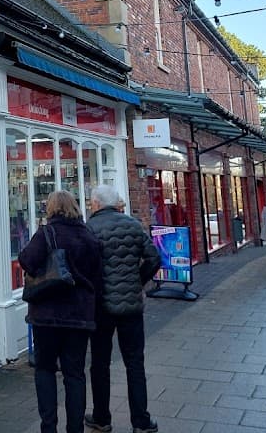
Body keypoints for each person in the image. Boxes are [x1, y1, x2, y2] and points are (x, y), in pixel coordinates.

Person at [18, 191, 102, 433]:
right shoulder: (88, 234)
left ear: (52, 209)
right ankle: (75, 428)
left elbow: (26, 260)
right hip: (80, 316)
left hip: (47, 315)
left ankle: (49, 427)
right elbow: (97, 274)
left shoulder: (47, 233)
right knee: (74, 374)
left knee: (45, 370)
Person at [84, 185, 160, 433]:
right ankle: (141, 421)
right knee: (135, 363)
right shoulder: (132, 224)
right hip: (131, 306)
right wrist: (138, 280)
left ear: (96, 204)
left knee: (100, 363)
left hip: (101, 307)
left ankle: (101, 418)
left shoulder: (90, 228)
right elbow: (154, 257)